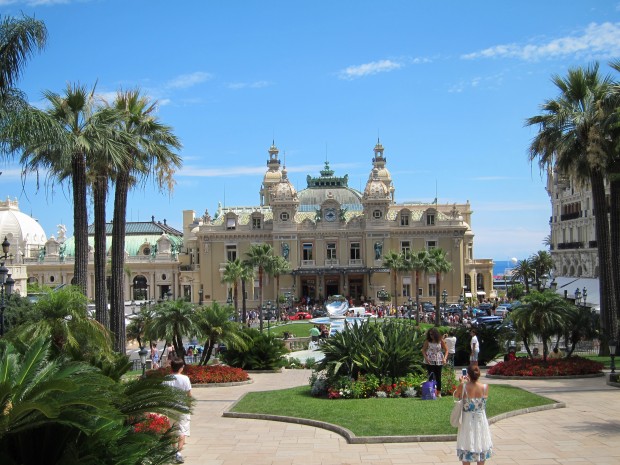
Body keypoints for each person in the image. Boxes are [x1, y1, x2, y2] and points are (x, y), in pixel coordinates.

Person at [454, 364, 493, 464]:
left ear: (468, 374)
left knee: (466, 443)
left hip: (467, 420)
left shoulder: (463, 387)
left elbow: (456, 395)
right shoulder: (485, 387)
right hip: (480, 420)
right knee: (481, 442)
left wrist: (462, 382)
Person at [164, 358, 192, 464]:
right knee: (182, 430)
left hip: (170, 407)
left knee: (172, 429)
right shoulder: (185, 379)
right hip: (182, 407)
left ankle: (173, 449)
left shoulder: (166, 378)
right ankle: (178, 453)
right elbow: (189, 395)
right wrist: (189, 406)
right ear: (181, 368)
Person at [421, 327, 448, 398]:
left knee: (438, 376)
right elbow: (423, 350)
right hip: (430, 360)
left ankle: (439, 392)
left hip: (439, 359)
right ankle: (431, 391)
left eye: (432, 334)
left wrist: (444, 358)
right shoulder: (428, 341)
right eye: (430, 334)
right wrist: (426, 358)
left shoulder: (440, 340)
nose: (431, 336)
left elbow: (446, 350)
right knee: (431, 376)